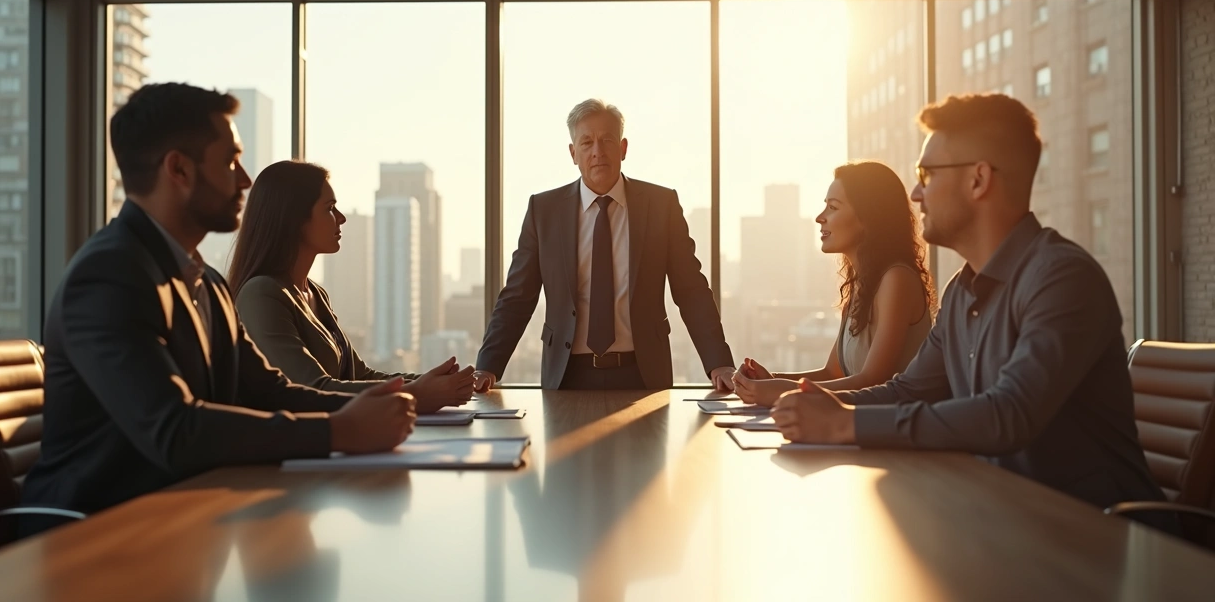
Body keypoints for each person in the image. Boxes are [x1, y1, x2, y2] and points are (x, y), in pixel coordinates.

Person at [19, 83, 417, 537]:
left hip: (182, 522)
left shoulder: (204, 281)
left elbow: (271, 391)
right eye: (231, 161)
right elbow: (176, 430)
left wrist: (373, 408)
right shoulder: (108, 277)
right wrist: (339, 432)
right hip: (94, 537)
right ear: (179, 169)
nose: (246, 180)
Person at [771, 93, 1167, 511]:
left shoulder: (1063, 279)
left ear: (978, 180)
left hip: (1101, 538)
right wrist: (821, 405)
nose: (915, 193)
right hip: (1006, 517)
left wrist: (844, 423)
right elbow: (908, 392)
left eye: (927, 174)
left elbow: (1008, 414)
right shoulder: (963, 290)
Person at [474, 98, 734, 391]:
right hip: (566, 376)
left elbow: (691, 290)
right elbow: (517, 298)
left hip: (644, 374)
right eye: (586, 142)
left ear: (623, 148)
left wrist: (719, 362)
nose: (597, 152)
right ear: (573, 153)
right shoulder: (543, 211)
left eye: (607, 140)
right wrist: (487, 367)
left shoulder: (661, 206)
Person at [228, 160, 476, 413]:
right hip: (294, 450)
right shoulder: (261, 295)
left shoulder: (315, 293)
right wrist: (418, 394)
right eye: (330, 208)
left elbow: (360, 375)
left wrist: (433, 382)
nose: (341, 218)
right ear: (294, 218)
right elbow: (312, 390)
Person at [731, 161, 935, 406]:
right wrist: (769, 380)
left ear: (868, 216)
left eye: (833, 208)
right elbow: (832, 374)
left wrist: (781, 392)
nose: (820, 218)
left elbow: (872, 381)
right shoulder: (861, 286)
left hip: (891, 434)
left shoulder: (896, 280)